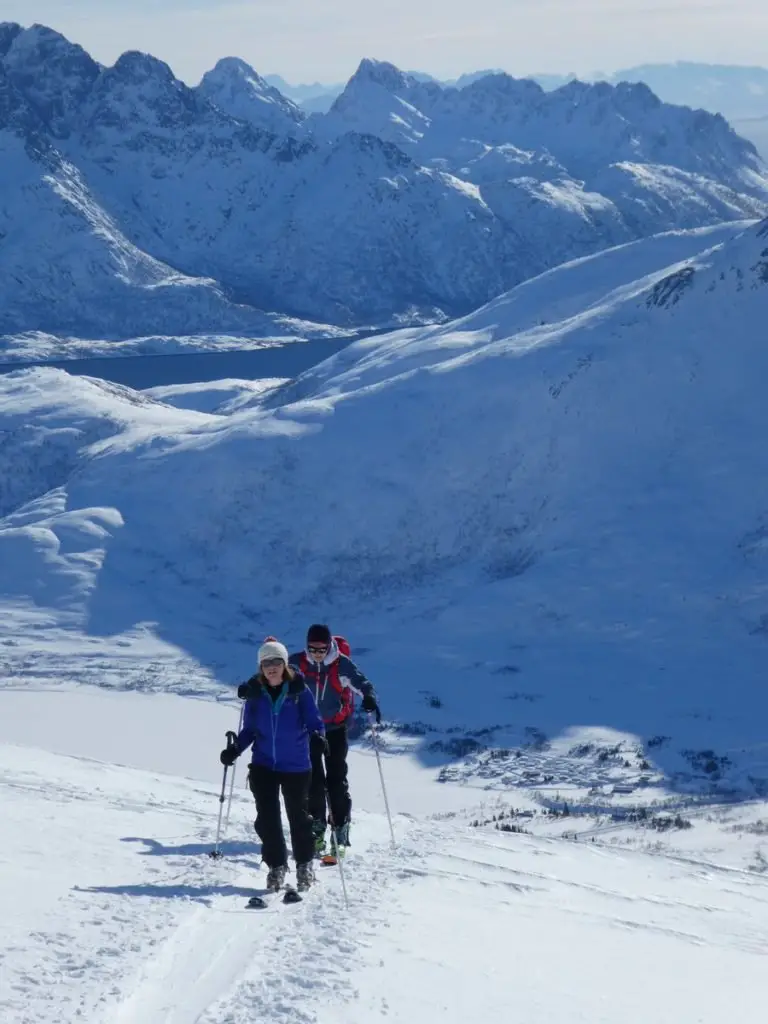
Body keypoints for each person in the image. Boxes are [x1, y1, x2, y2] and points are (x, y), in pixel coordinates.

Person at [221, 638, 326, 892]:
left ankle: (304, 864)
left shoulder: (299, 692)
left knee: (298, 818)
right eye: (266, 662)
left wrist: (318, 738)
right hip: (264, 765)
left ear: (285, 663)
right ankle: (276, 866)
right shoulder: (256, 696)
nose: (271, 667)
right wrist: (235, 749)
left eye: (276, 661)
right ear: (260, 666)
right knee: (267, 820)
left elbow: (315, 721)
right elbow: (249, 730)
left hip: (296, 765)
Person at [289, 624, 381, 855]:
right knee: (313, 780)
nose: (317, 654)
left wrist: (368, 696)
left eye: (322, 649)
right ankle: (317, 826)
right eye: (313, 649)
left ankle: (340, 827)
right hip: (309, 729)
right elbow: (274, 676)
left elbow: (362, 682)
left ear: (330, 645)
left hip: (335, 729)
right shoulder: (298, 663)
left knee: (336, 780)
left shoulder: (340, 663)